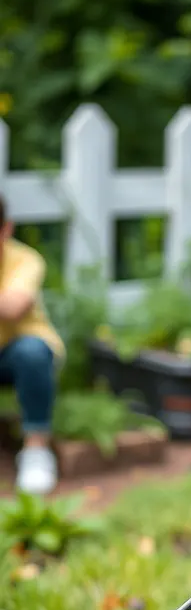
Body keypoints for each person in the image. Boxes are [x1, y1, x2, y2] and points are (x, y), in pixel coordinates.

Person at [0, 196, 63, 494]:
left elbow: (14, 306)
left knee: (31, 352)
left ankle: (36, 450)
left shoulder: (25, 259)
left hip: (15, 354)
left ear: (6, 229)